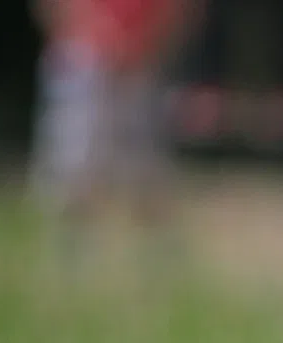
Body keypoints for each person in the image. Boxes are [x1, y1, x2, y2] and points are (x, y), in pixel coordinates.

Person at [30, 0, 194, 228]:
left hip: (141, 65)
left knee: (144, 170)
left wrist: (142, 42)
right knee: (76, 166)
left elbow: (179, 10)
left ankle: (150, 242)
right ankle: (73, 241)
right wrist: (98, 33)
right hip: (81, 61)